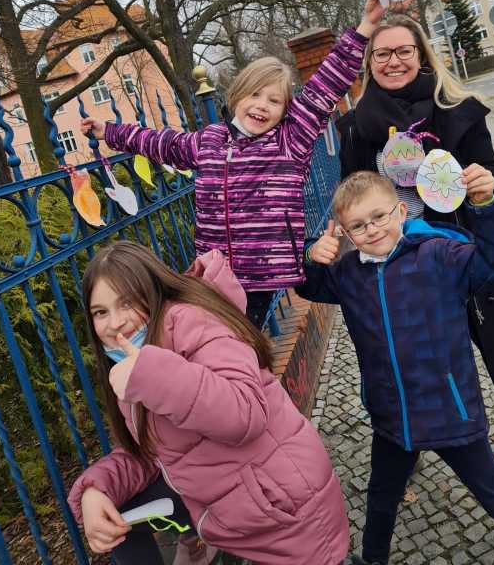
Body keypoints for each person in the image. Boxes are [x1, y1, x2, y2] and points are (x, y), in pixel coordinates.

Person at [335, 14, 494, 507]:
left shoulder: (460, 110)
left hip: (469, 256)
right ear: (369, 62)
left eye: (403, 50)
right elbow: (349, 195)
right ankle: (403, 450)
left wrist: (483, 185)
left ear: (421, 53)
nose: (393, 61)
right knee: (404, 366)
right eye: (382, 53)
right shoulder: (355, 129)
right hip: (401, 272)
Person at [299, 170, 494, 565]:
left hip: (450, 412)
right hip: (393, 416)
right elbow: (306, 285)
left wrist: (486, 205)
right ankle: (373, 559)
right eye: (358, 225)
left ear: (400, 210)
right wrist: (312, 254)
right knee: (381, 497)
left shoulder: (439, 256)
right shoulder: (347, 275)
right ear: (344, 231)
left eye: (379, 216)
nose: (372, 230)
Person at [80, 0, 384, 329]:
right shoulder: (210, 140)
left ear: (285, 111)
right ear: (236, 96)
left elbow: (326, 85)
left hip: (260, 275)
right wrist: (109, 131)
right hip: (213, 272)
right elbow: (161, 143)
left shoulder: (289, 140)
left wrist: (365, 28)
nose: (261, 106)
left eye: (274, 101)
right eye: (254, 95)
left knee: (241, 345)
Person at [67, 242, 350, 565]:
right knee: (116, 512)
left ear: (154, 292)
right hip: (230, 511)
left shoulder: (191, 321)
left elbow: (245, 413)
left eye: (127, 303)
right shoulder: (131, 364)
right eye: (100, 312)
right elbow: (153, 452)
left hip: (286, 516)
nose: (115, 322)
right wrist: (96, 488)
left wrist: (151, 375)